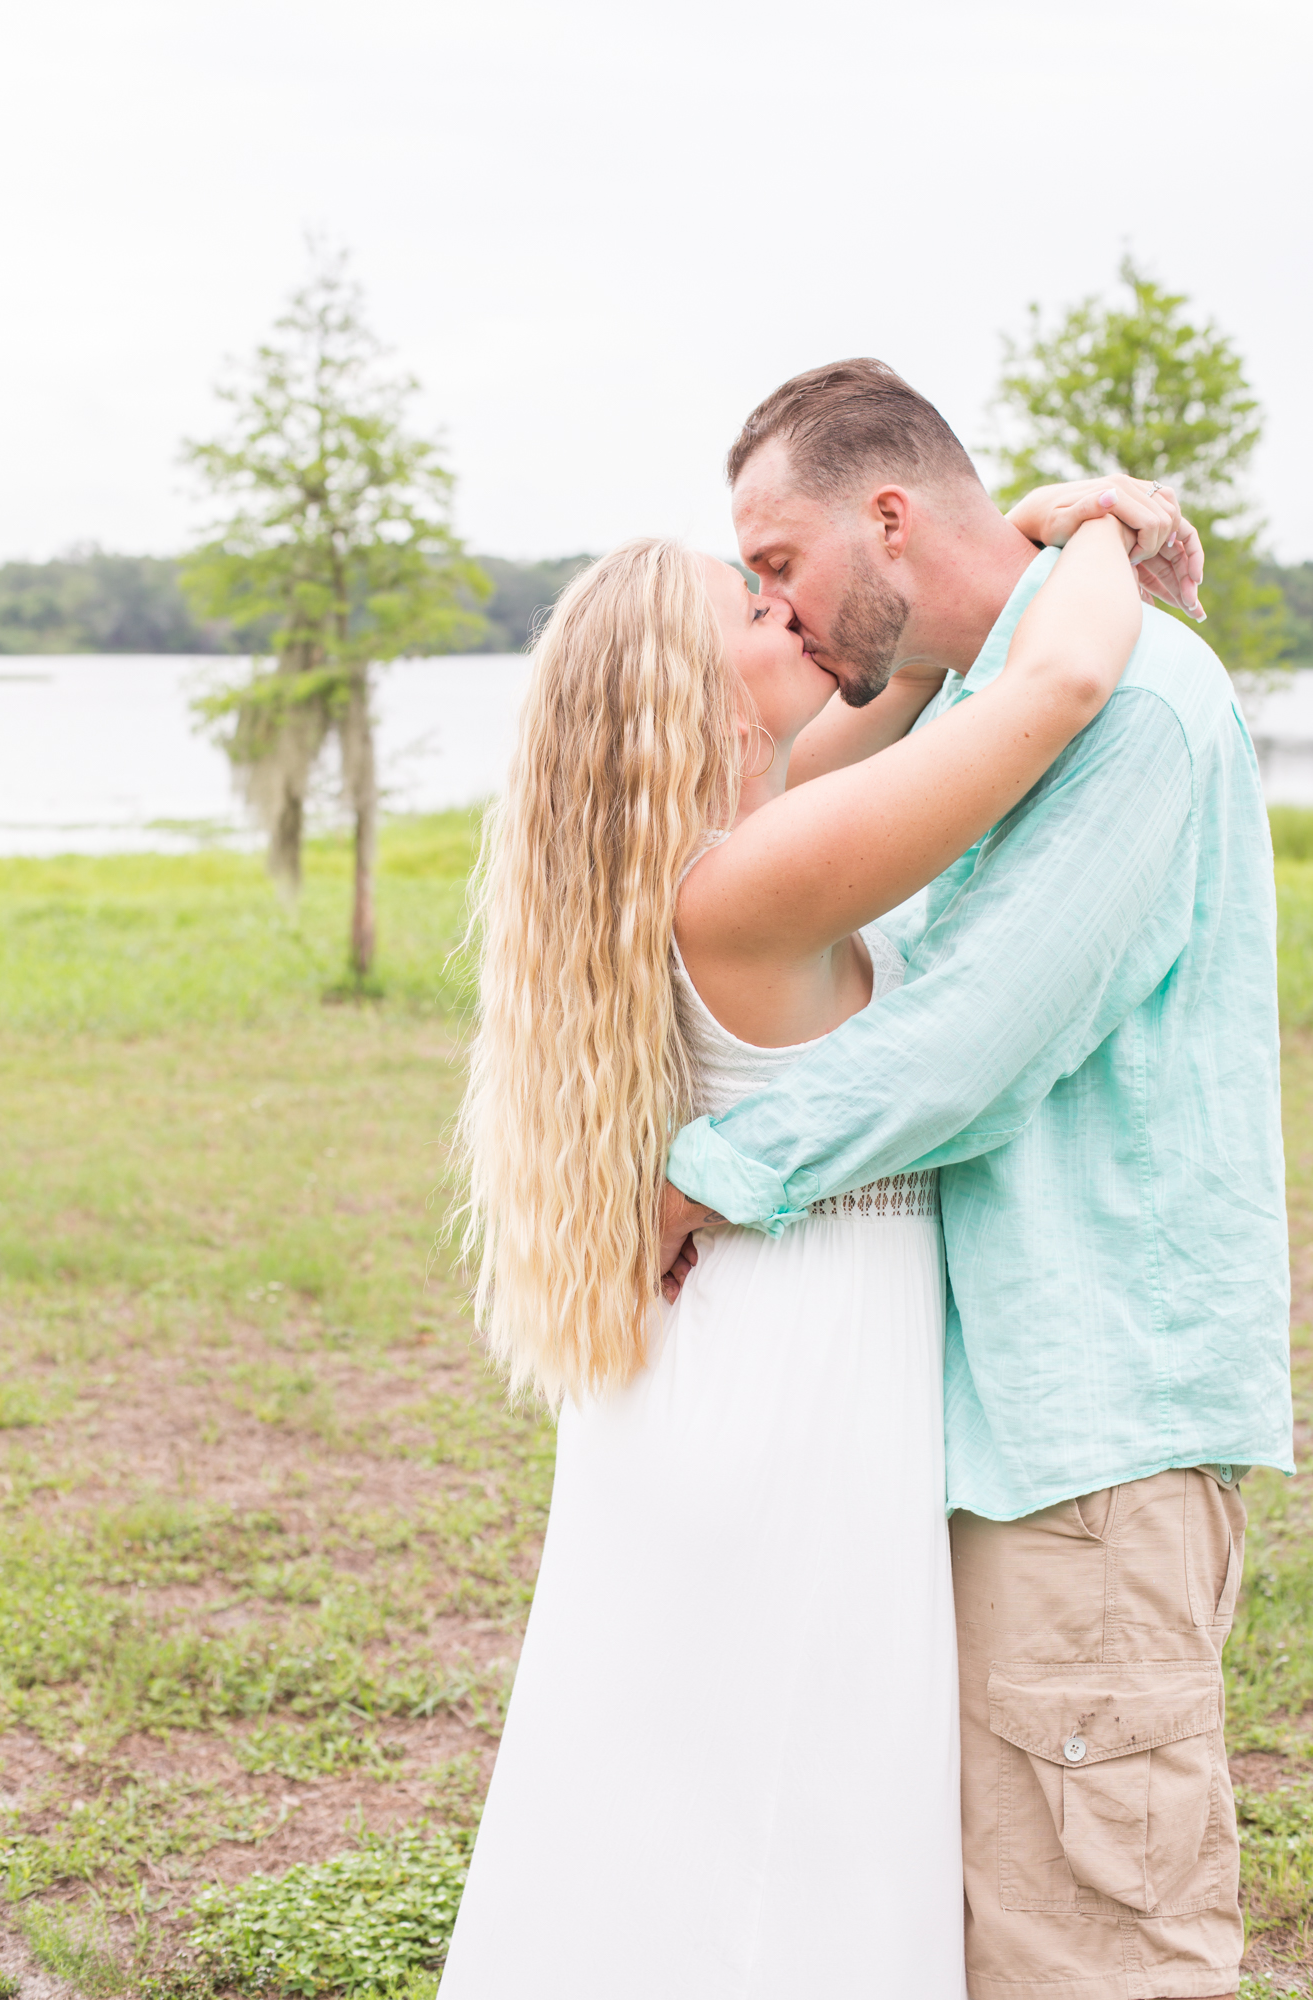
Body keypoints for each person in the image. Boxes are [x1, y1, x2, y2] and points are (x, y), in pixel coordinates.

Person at [441, 451, 1182, 1995]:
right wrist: (1109, 520)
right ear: (682, 684)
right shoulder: (755, 878)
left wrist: (1016, 529)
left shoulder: (737, 838)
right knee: (806, 1787)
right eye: (751, 601)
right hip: (798, 1365)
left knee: (695, 1780)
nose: (788, 607)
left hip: (750, 1351)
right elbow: (1041, 692)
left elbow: (901, 687)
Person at [661, 361, 1293, 2000]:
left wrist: (705, 1176)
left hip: (1087, 1427)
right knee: (986, 1917)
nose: (780, 614)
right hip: (996, 1414)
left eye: (781, 564)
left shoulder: (1135, 702)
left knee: (1095, 1944)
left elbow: (976, 1043)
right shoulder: (985, 699)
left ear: (886, 516)